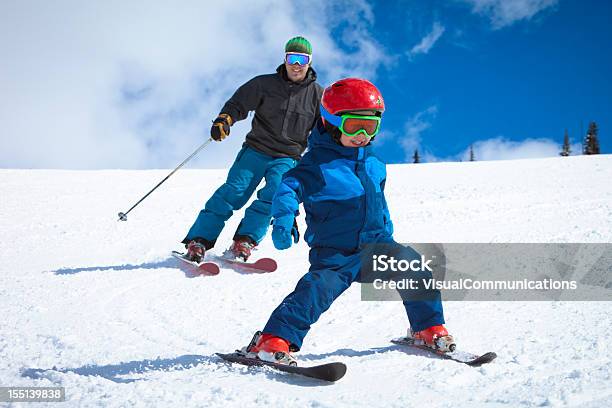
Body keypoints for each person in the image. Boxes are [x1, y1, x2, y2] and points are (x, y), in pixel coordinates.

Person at [240, 78, 454, 365]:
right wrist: (284, 218)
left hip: (378, 246)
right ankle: (272, 339)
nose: (363, 134)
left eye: (371, 126)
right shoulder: (315, 165)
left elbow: (378, 200)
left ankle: (427, 328)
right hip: (336, 253)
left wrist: (386, 230)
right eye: (354, 125)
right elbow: (288, 189)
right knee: (315, 291)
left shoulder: (374, 163)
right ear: (330, 122)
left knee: (414, 268)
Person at [182, 36, 323, 262]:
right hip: (257, 150)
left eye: (302, 59)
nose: (296, 64)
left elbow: (322, 130)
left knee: (275, 195)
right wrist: (224, 119)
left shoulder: (318, 95)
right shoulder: (264, 84)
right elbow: (238, 103)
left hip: (287, 157)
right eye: (292, 58)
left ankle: (245, 241)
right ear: (285, 59)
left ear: (310, 61)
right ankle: (199, 240)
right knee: (233, 192)